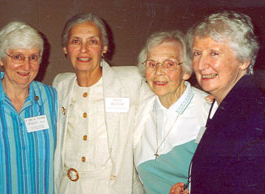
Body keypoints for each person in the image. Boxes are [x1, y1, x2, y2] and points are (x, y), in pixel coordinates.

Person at [53, 13, 151, 194]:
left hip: (113, 187)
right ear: (65, 48)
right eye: (75, 41)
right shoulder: (60, 85)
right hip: (68, 187)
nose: (83, 49)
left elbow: (164, 102)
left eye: (92, 42)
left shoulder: (131, 80)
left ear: (104, 48)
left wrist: (202, 99)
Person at [172, 11, 265, 194]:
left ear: (244, 60)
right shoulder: (226, 105)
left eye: (214, 53)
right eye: (197, 53)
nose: (200, 65)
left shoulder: (251, 120)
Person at [0, 21, 57, 194]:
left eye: (33, 57)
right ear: (0, 58)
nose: (26, 66)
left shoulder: (52, 98)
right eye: (17, 57)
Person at [133, 30, 210, 194]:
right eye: (152, 64)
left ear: (187, 71)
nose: (158, 72)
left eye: (169, 64)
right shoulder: (140, 111)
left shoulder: (209, 111)